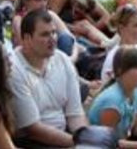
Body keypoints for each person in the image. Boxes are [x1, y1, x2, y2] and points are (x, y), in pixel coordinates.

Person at [8, 10, 88, 147]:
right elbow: (33, 128)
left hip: (63, 135)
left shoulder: (62, 59)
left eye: (54, 32)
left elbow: (75, 115)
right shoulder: (13, 68)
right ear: (27, 38)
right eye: (45, 34)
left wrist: (87, 140)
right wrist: (76, 143)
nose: (53, 39)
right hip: (32, 141)